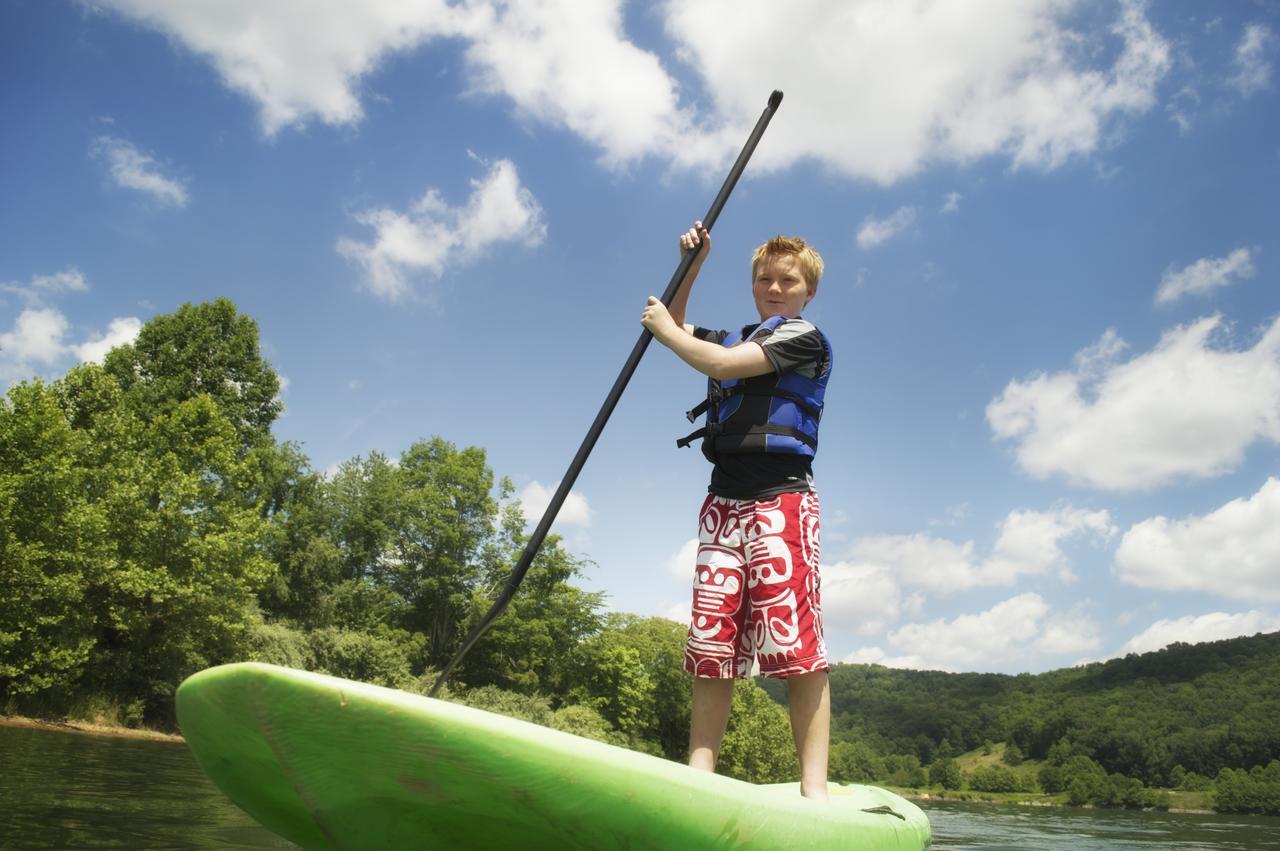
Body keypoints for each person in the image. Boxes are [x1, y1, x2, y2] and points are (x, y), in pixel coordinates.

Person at [641, 220, 833, 802]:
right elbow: (674, 322)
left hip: (782, 502)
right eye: (764, 279)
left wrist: (665, 333)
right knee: (711, 645)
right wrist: (692, 262)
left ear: (807, 290)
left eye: (787, 280)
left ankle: (814, 791)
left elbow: (713, 362)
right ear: (753, 285)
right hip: (723, 506)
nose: (775, 288)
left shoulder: (804, 338)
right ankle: (700, 777)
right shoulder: (736, 336)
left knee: (796, 649)